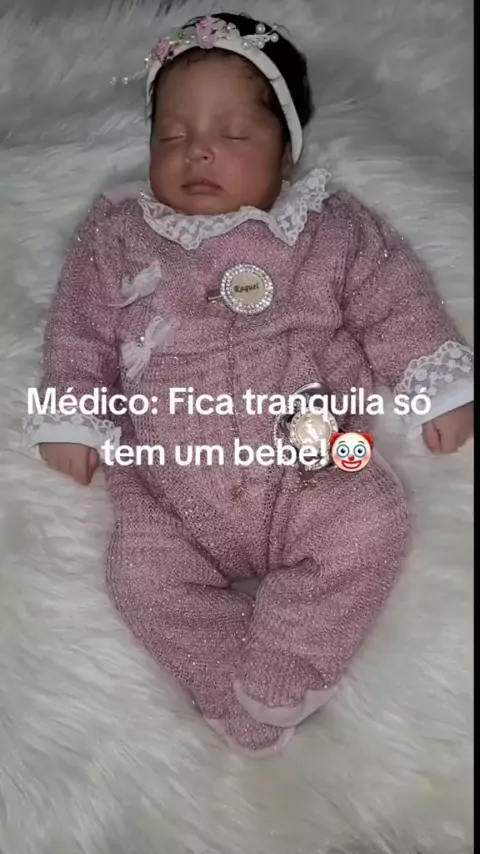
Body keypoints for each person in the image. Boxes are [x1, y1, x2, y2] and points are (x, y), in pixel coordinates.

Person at [24, 12, 474, 756]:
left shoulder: (326, 228)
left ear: (286, 154)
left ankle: (286, 666)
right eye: (171, 134)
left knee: (372, 523)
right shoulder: (119, 232)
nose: (197, 149)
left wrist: (438, 382)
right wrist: (74, 414)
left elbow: (392, 297)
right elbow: (80, 328)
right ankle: (228, 683)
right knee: (141, 580)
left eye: (233, 133)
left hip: (312, 464)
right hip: (171, 487)